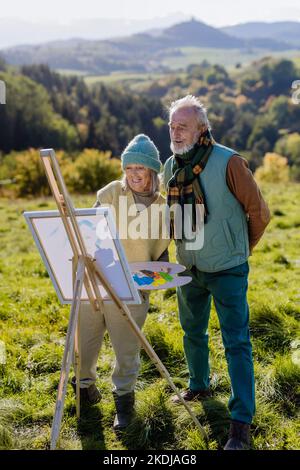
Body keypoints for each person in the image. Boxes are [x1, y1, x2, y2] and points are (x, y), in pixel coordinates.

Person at [163, 95, 271, 450]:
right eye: (172, 126)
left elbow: (260, 212)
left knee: (236, 342)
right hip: (188, 266)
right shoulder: (171, 166)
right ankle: (198, 384)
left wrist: (240, 251)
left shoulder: (229, 162)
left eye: (183, 126)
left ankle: (241, 421)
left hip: (227, 269)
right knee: (192, 331)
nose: (176, 132)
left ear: (202, 129)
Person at [72, 134, 170, 431]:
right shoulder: (112, 193)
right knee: (84, 343)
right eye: (129, 168)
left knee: (127, 349)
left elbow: (162, 254)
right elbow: (88, 229)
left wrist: (154, 281)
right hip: (97, 282)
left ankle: (123, 403)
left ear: (152, 171)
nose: (133, 174)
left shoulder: (163, 206)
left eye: (140, 168)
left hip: (133, 289)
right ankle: (84, 388)